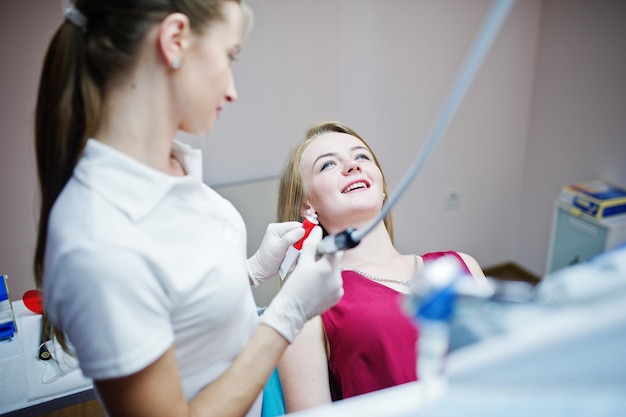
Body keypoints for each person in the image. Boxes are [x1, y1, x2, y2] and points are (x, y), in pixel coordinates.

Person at [32, 2, 344, 417]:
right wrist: (289, 314)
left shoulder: (169, 168)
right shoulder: (97, 236)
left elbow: (181, 308)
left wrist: (249, 271)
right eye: (229, 56)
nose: (232, 90)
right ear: (175, 39)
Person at [275, 120, 489, 413]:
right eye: (327, 165)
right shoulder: (309, 305)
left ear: (382, 186)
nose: (352, 166)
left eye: (361, 156)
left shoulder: (461, 265)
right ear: (308, 206)